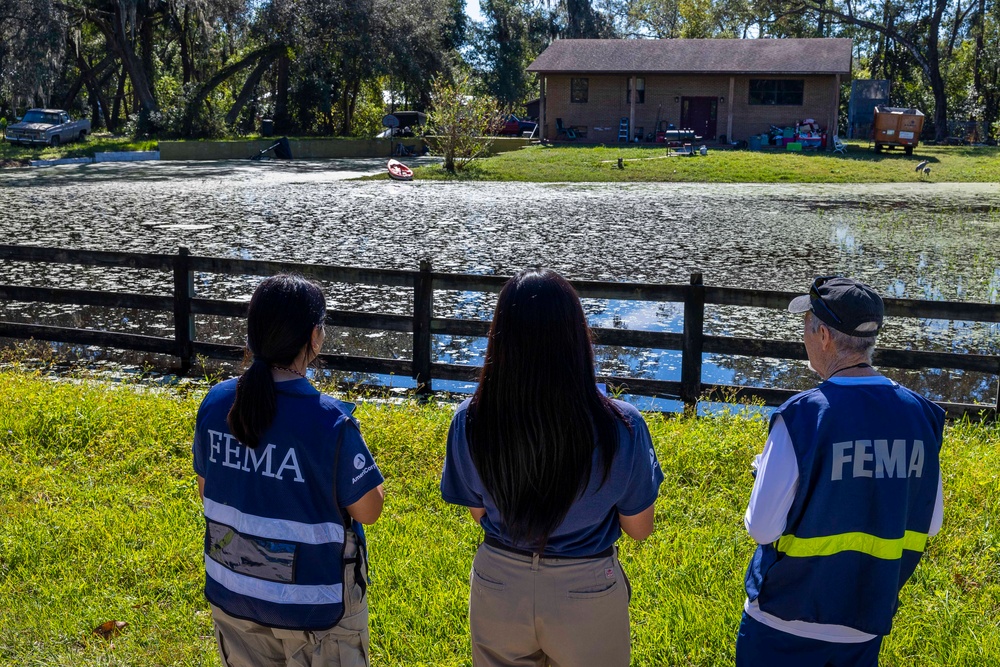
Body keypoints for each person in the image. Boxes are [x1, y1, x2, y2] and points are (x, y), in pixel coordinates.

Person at [440, 268, 664, 667]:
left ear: (500, 336)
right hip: (587, 589)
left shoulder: (470, 420)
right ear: (577, 337)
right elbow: (639, 529)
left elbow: (480, 512)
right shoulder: (623, 425)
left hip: (498, 582)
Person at [737, 276, 944, 667]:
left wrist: (765, 474)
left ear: (825, 336)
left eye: (806, 324)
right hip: (864, 621)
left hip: (783, 623)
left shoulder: (801, 416)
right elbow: (930, 523)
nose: (804, 335)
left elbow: (761, 528)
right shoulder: (922, 415)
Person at [192, 274, 385, 667]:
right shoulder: (330, 423)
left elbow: (205, 487)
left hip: (236, 594)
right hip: (315, 608)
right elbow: (368, 510)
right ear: (315, 337)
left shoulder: (215, 403)